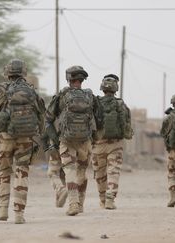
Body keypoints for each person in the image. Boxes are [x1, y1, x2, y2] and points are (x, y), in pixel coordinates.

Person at [0, 59, 45, 224]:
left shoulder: (2, 90)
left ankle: (2, 209)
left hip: (5, 137)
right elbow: (41, 116)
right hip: (26, 137)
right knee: (21, 171)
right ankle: (19, 213)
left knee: (3, 171)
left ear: (7, 73)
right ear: (24, 73)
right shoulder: (32, 92)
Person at [45, 65, 102, 216]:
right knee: (82, 171)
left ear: (68, 78)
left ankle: (73, 204)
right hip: (86, 140)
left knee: (69, 169)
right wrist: (95, 138)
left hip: (66, 139)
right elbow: (100, 119)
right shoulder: (90, 96)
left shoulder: (62, 95)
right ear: (82, 79)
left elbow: (48, 120)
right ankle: (81, 204)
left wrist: (55, 140)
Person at [91, 74, 133, 210]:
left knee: (100, 173)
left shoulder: (95, 103)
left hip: (98, 143)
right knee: (113, 171)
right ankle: (110, 198)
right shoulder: (120, 104)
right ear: (116, 89)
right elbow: (126, 124)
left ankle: (103, 200)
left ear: (102, 88)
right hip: (116, 143)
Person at [41, 128, 68, 208]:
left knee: (52, 172)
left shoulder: (51, 116)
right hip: (74, 142)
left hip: (57, 144)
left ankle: (60, 189)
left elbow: (46, 129)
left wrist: (46, 147)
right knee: (66, 171)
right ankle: (60, 200)